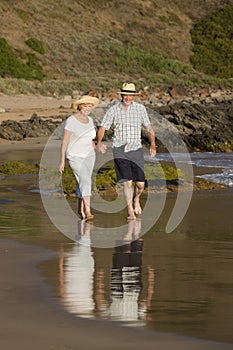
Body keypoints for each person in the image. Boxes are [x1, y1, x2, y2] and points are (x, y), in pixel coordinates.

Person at [97, 83, 156, 220]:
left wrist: (153, 144)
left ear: (133, 96)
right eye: (126, 95)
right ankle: (130, 209)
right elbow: (103, 128)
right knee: (127, 182)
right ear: (121, 95)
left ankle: (136, 199)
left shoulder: (140, 109)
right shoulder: (113, 110)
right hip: (120, 149)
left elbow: (149, 127)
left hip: (136, 149)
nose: (128, 98)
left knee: (140, 184)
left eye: (130, 95)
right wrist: (99, 143)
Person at [59, 95, 99, 220]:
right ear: (80, 107)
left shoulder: (91, 120)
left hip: (89, 155)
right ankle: (88, 210)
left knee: (83, 181)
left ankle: (80, 208)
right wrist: (62, 161)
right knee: (86, 180)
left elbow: (91, 138)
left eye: (90, 106)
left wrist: (97, 145)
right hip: (74, 156)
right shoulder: (72, 120)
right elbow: (65, 141)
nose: (88, 108)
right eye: (85, 105)